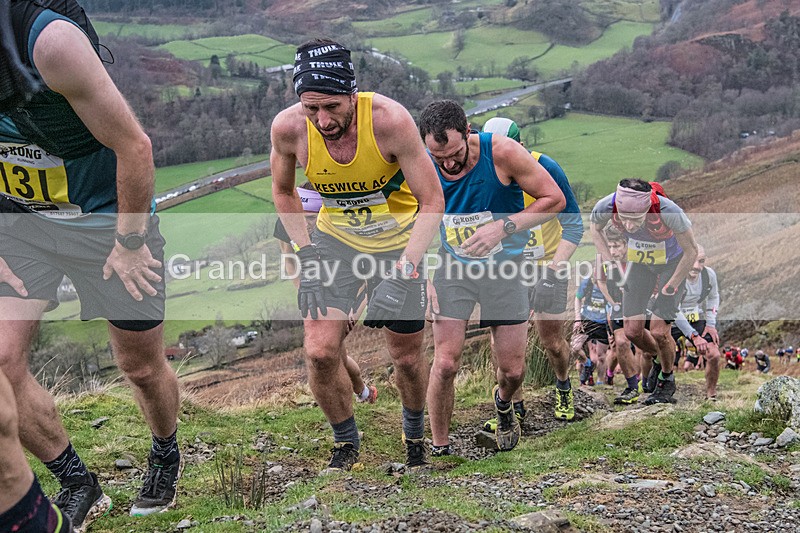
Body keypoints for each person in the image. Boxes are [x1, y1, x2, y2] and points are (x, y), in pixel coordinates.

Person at [0, 2, 182, 527]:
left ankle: (165, 452)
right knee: (3, 365)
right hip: (22, 223)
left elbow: (135, 146)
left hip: (107, 223)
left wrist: (130, 242)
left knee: (140, 366)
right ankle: (77, 481)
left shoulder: (49, 41)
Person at [271, 39, 444, 472]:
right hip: (336, 243)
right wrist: (306, 254)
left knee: (406, 358)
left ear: (352, 93)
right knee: (320, 352)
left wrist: (404, 272)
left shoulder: (389, 121)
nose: (323, 120)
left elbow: (432, 201)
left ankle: (414, 432)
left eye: (332, 106)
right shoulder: (288, 129)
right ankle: (346, 443)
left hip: (398, 244)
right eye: (311, 109)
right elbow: (283, 191)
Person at [419, 102, 564, 454]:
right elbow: (412, 218)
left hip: (505, 270)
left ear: (468, 131)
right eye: (439, 158)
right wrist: (422, 275)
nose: (448, 165)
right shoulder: (421, 162)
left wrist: (502, 227)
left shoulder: (502, 152)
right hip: (454, 269)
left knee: (512, 371)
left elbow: (554, 199)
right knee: (446, 362)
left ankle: (503, 403)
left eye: (455, 154)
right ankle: (439, 447)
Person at [480, 117, 583, 424]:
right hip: (507, 269)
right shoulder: (481, 176)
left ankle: (563, 385)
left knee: (552, 342)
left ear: (520, 146)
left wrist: (552, 272)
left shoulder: (546, 168)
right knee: (502, 343)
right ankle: (513, 405)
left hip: (548, 264)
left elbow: (574, 226)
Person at [591, 179, 699, 405]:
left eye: (635, 220)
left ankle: (666, 380)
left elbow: (692, 251)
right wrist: (610, 263)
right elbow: (595, 227)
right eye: (624, 219)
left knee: (659, 331)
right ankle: (659, 358)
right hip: (641, 264)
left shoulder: (668, 211)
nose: (628, 226)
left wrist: (671, 286)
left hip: (673, 264)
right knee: (632, 331)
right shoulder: (607, 205)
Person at [274, 183, 377, 404]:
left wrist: (353, 312)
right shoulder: (287, 221)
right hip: (315, 288)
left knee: (329, 353)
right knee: (332, 353)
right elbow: (288, 257)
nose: (304, 224)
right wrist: (304, 290)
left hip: (348, 287)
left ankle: (353, 398)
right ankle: (363, 393)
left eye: (311, 218)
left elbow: (367, 279)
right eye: (300, 217)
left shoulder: (342, 228)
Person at [593, 225, 647, 404]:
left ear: (626, 244)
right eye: (609, 246)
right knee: (621, 343)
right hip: (617, 305)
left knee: (643, 347)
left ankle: (649, 378)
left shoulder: (636, 257)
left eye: (616, 246)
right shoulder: (602, 259)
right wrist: (612, 302)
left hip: (639, 305)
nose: (612, 251)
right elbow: (600, 282)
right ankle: (632, 386)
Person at [671, 245, 722, 400]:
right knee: (654, 352)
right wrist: (693, 336)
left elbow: (714, 297)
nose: (696, 266)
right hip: (672, 317)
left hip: (695, 317)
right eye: (693, 260)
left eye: (701, 261)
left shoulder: (709, 274)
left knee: (714, 354)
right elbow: (674, 308)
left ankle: (711, 394)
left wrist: (710, 324)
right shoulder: (673, 274)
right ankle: (648, 384)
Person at [570, 274, 611, 385]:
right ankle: (586, 363)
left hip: (603, 322)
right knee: (574, 347)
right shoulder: (587, 282)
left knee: (601, 356)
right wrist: (577, 319)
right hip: (586, 319)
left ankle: (600, 381)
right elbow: (578, 298)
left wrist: (611, 328)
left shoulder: (611, 283)